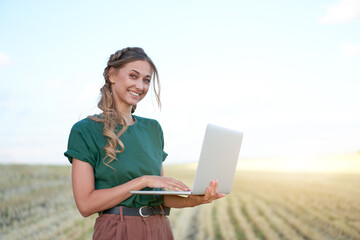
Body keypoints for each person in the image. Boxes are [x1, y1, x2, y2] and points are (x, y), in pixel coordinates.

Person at [64, 47, 225, 240]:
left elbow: (159, 196)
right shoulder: (85, 130)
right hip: (118, 230)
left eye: (146, 80)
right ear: (112, 75)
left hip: (160, 228)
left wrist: (193, 200)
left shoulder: (153, 129)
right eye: (133, 76)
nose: (140, 86)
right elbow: (85, 205)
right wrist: (144, 181)